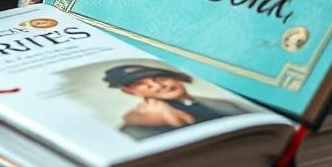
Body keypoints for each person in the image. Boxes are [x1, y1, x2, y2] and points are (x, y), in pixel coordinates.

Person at [103, 62, 248, 139]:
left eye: (159, 78)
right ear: (129, 92)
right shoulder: (139, 126)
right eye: (141, 84)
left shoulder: (225, 103)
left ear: (174, 77)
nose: (158, 85)